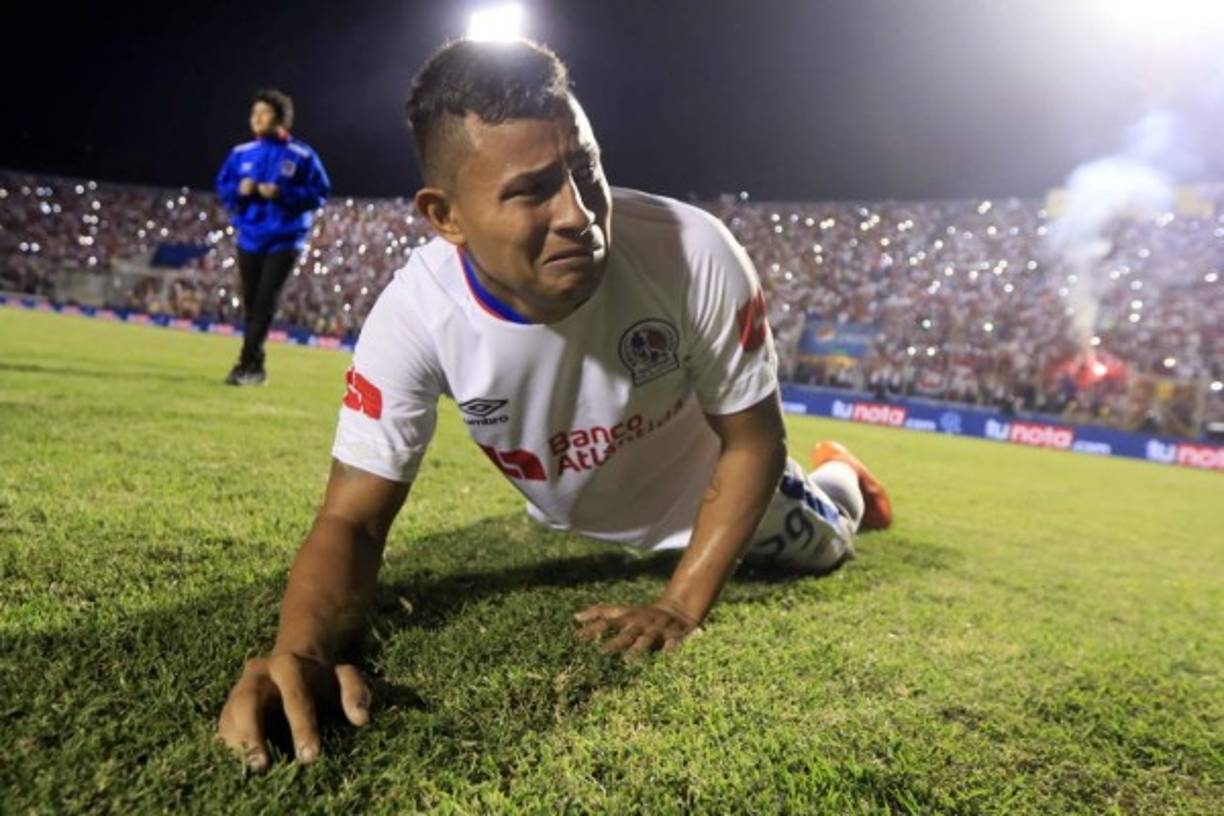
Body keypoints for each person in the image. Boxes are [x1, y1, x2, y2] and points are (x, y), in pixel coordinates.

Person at [217, 40, 892, 770]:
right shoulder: (415, 316)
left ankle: (846, 476)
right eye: (533, 190)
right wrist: (301, 651)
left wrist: (679, 606)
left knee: (829, 540)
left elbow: (753, 440)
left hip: (712, 494)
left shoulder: (693, 251)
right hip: (578, 502)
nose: (579, 213)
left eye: (586, 169)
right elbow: (353, 515)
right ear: (446, 216)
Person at [215, 88, 331, 385]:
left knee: (265, 301)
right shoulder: (241, 153)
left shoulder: (302, 155)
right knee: (253, 304)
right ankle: (257, 366)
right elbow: (223, 187)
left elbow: (319, 193)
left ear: (280, 118)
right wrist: (237, 191)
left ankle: (244, 365)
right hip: (249, 237)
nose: (256, 118)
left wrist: (283, 193)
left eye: (263, 113)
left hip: (285, 239)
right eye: (253, 113)